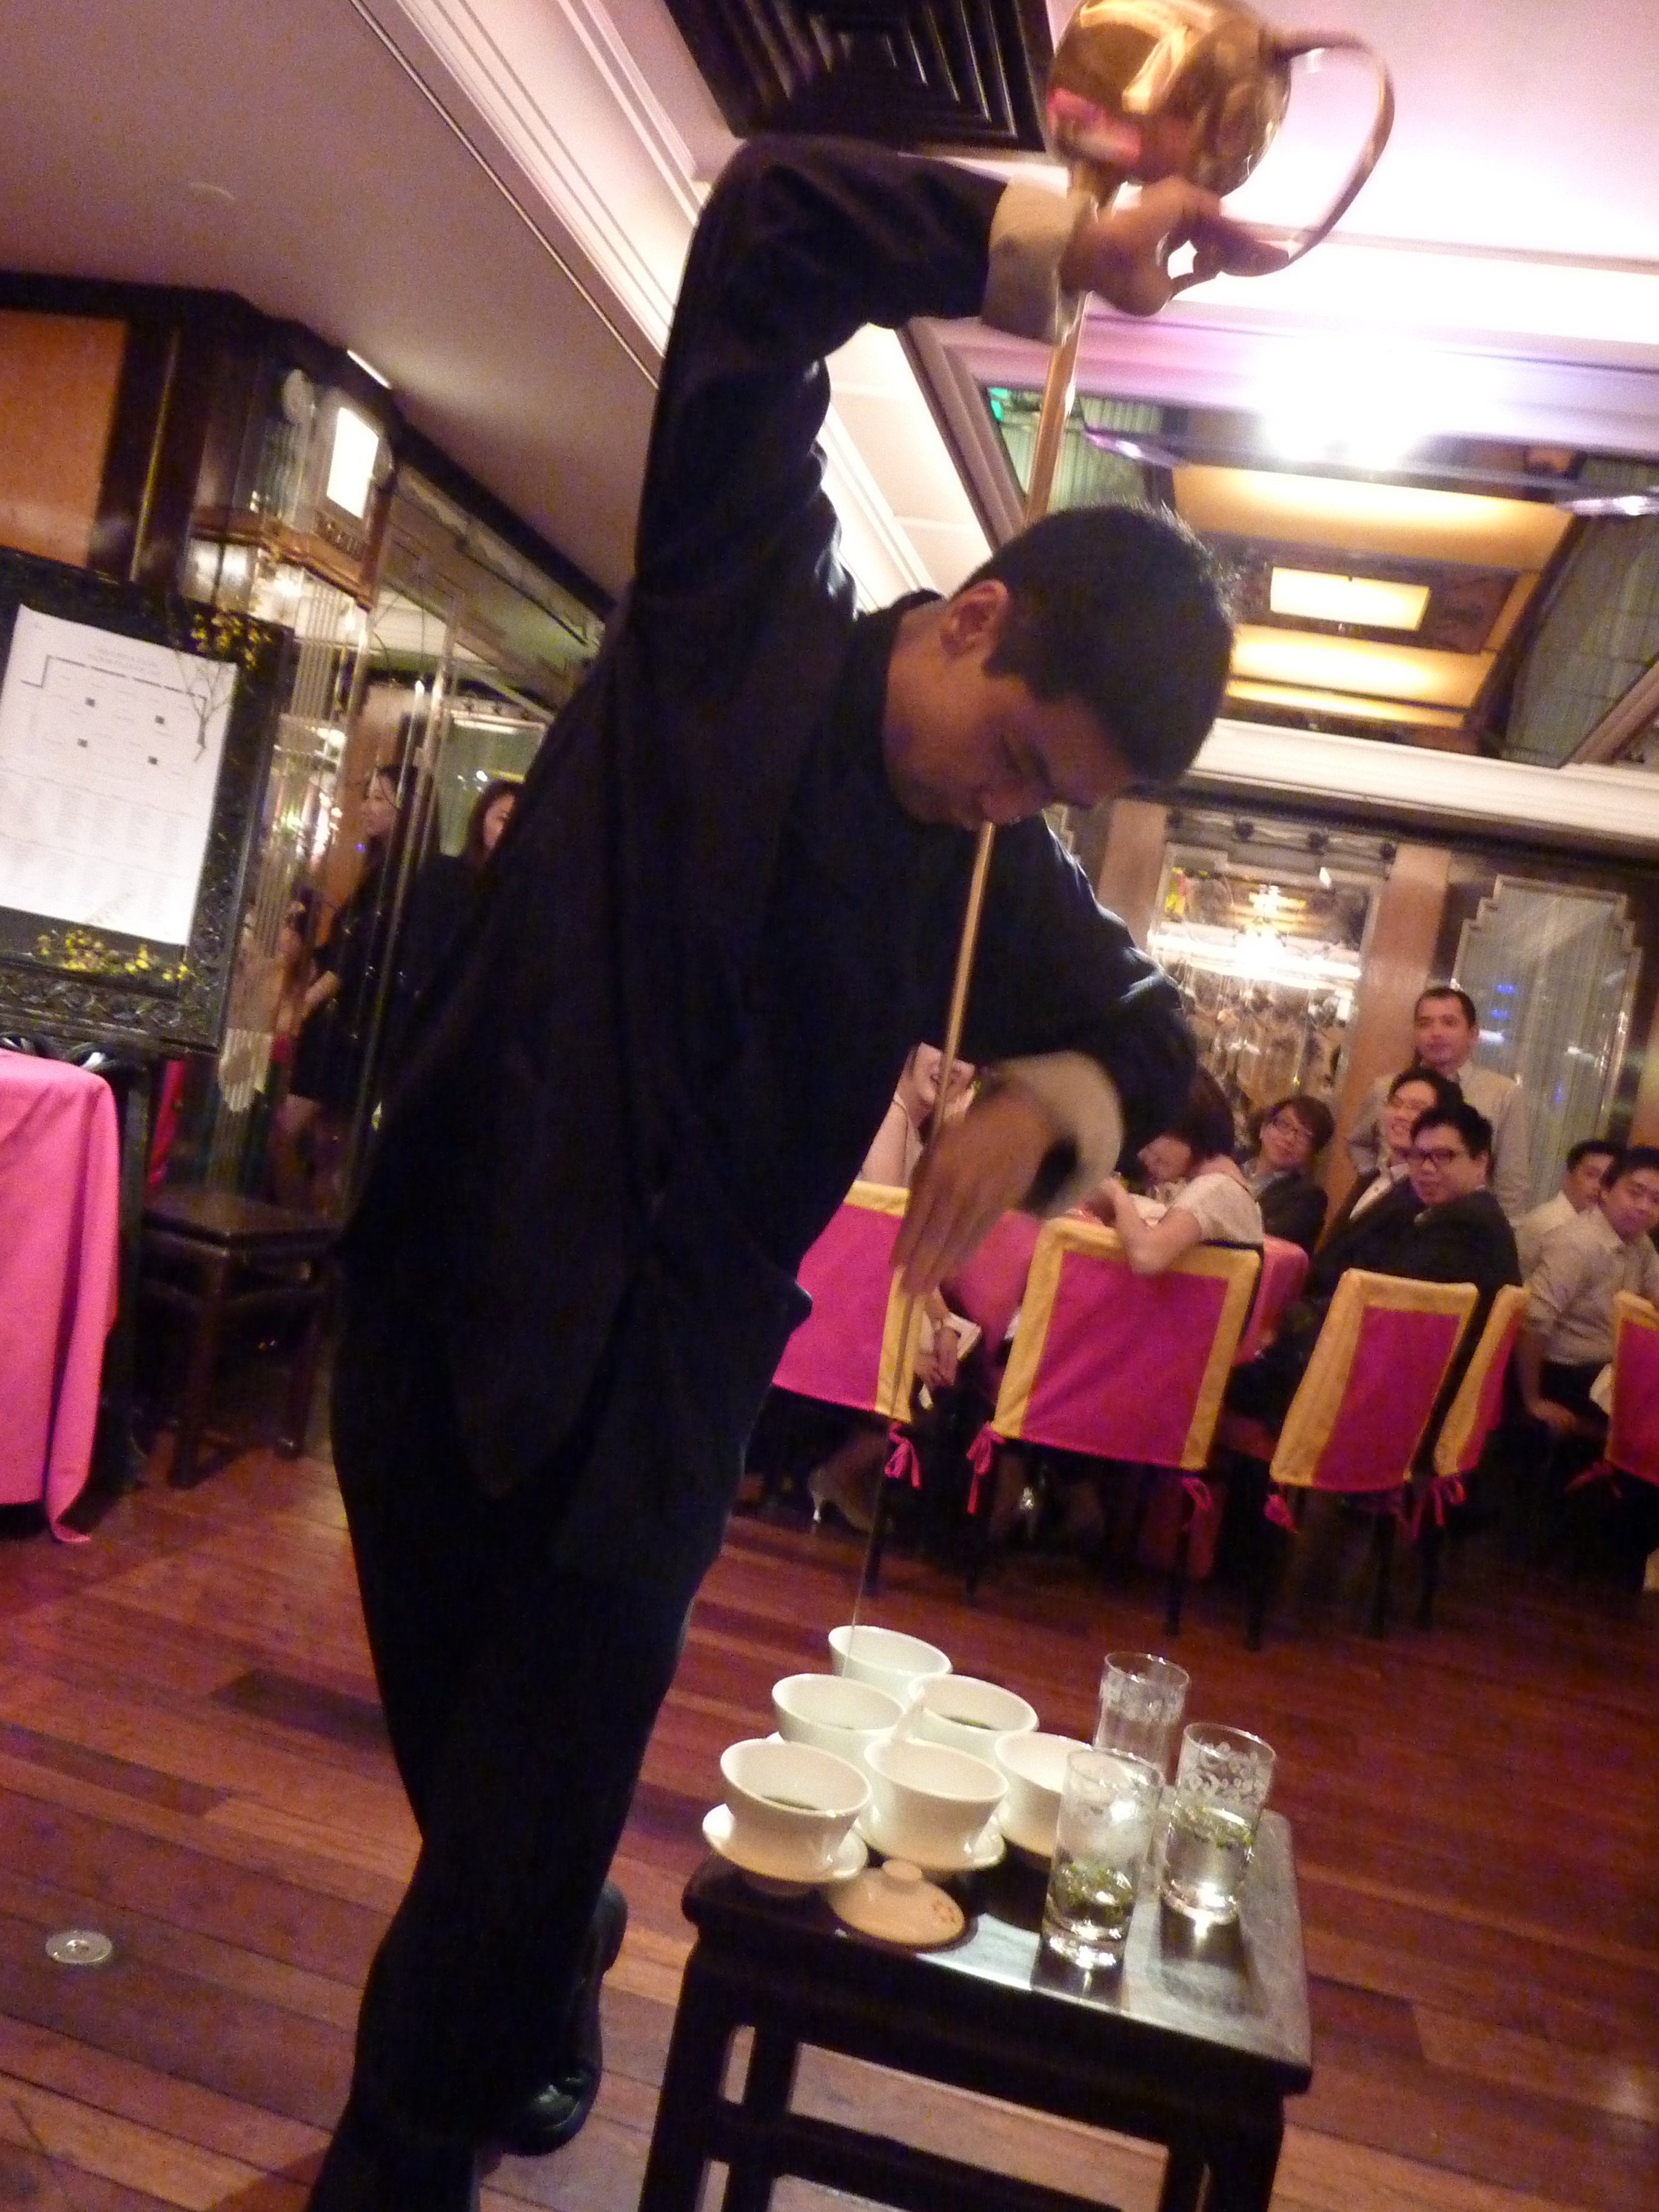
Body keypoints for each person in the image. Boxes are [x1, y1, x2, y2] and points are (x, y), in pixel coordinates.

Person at [315, 139, 1240, 2211]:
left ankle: (405, 2158)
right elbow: (762, 235)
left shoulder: (993, 877)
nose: (1011, 811)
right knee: (475, 1772)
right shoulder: (740, 599)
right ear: (975, 617)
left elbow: (1162, 1033)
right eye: (1020, 758)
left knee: (519, 1805)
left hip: (659, 1408)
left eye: (1056, 803)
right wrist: (1048, 243)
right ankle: (546, 1938)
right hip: (447, 1285)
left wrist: (1047, 1098)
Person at [1230, 1101, 1520, 1429]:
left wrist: (1283, 1328)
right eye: (1418, 1156)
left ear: (1481, 1161)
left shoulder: (1464, 1230)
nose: (1426, 1168)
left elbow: (1376, 1314)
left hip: (1395, 1409)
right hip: (1409, 1391)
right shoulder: (1471, 1217)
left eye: (1443, 1156)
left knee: (1219, 1371)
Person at [280, 763, 407, 1212]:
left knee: (297, 1137)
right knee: (323, 1153)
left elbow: (353, 961)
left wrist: (302, 1006)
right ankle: (306, 1238)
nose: (368, 807)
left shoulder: (398, 877)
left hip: (347, 1031)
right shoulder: (377, 869)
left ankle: (301, 1237)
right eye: (367, 796)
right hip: (338, 1028)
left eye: (380, 798)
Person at [1345, 987, 1530, 1219]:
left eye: (1449, 1023)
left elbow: (1511, 1180)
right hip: (1386, 1217)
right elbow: (1358, 1142)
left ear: (1473, 1034)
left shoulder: (1502, 1093)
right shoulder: (1385, 1088)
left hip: (1460, 1223)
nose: (1436, 1033)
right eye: (1425, 1024)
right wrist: (1381, 1179)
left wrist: (1502, 1230)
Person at [1514, 1145, 1659, 1436]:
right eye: (1635, 1193)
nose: (1645, 1207)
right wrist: (1531, 1401)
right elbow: (1533, 1322)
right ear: (1605, 1191)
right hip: (1563, 1371)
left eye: (1657, 1200)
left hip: (1605, 1369)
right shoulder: (1577, 1244)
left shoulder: (1639, 1242)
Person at [389, 777, 520, 1051]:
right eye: (503, 819)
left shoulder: (517, 895)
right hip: (430, 1019)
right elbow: (419, 950)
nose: (509, 832)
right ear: (482, 819)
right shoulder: (444, 874)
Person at [1091, 1066, 1262, 1270]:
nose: (1142, 1154)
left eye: (1149, 1138)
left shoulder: (1214, 1190)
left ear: (1188, 1122)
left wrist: (1115, 1193)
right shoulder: (1226, 1184)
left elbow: (1146, 1257)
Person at [1322, 1067, 1460, 1250]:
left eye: (1417, 1108)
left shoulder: (1428, 1197)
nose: (1401, 1115)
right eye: (1396, 1104)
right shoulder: (1372, 1177)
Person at [1242, 1092, 1335, 1255]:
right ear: (1263, 1129)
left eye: (1305, 1136)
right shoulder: (1230, 1162)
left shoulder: (1308, 1199)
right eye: (1284, 1125)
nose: (1289, 1139)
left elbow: (1261, 1241)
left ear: (1313, 1154)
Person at [1513, 1136, 1620, 1278]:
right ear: (1568, 1176)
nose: (1599, 1186)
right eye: (1592, 1175)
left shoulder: (1603, 1226)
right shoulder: (1550, 1224)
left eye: (1608, 1180)